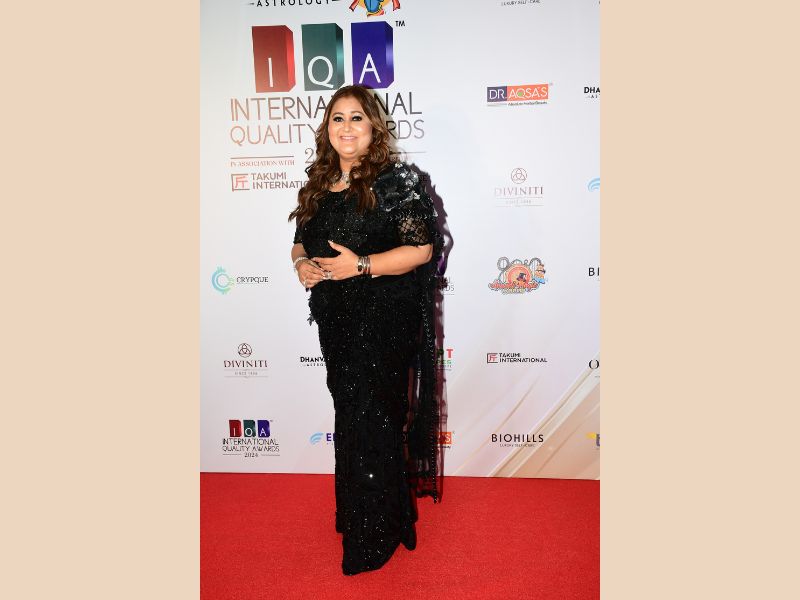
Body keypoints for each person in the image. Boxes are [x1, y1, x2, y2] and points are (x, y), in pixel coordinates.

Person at [289, 84, 443, 575]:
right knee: (351, 418)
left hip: (383, 322)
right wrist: (302, 265)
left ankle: (377, 533)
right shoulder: (318, 183)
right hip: (336, 323)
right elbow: (300, 242)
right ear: (327, 129)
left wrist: (361, 265)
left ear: (374, 126)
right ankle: (360, 514)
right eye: (338, 118)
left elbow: (421, 250)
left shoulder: (396, 181)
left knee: (376, 418)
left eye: (357, 117)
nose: (347, 127)